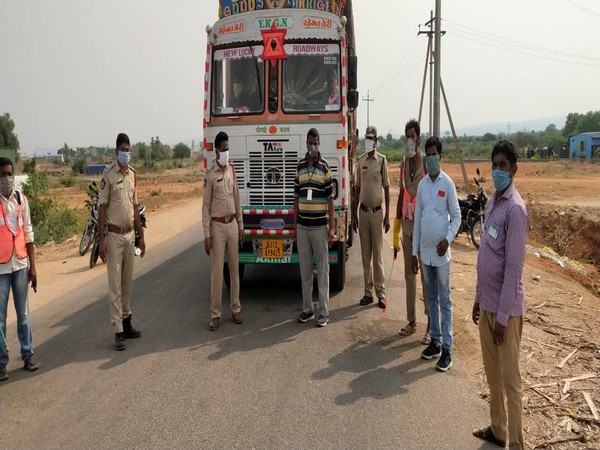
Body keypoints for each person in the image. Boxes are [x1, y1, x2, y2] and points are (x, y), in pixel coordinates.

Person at [472, 140, 527, 450]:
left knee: (510, 382)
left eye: (502, 165)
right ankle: (498, 430)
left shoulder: (516, 210)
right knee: (492, 377)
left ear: (514, 169)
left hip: (506, 313)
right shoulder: (493, 202)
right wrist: (478, 300)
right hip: (488, 305)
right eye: (493, 165)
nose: (496, 171)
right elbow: (487, 257)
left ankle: (517, 442)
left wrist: (503, 318)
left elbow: (513, 270)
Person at [412, 136, 460, 372]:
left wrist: (448, 239)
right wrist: (414, 253)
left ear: (440, 156)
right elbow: (419, 222)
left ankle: (448, 349)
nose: (430, 158)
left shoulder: (447, 184)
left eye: (434, 154)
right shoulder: (422, 186)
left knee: (445, 300)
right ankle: (436, 342)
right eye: (428, 154)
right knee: (431, 298)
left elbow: (457, 216)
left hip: (441, 254)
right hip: (426, 254)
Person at [98, 133, 146, 351]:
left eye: (129, 149)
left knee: (127, 283)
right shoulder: (108, 176)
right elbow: (102, 209)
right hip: (114, 237)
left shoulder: (132, 175)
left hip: (129, 236)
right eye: (123, 149)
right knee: (115, 285)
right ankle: (117, 331)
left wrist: (141, 236)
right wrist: (101, 241)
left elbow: (135, 207)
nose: (127, 153)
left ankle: (127, 323)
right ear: (116, 151)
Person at [0, 157, 38, 381]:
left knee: (23, 314)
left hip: (21, 263)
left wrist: (33, 266)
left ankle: (27, 354)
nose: (7, 178)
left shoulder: (22, 200)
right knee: (0, 319)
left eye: (9, 174)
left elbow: (29, 233)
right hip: (1, 268)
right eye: (3, 174)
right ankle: (2, 363)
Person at [202, 131, 244, 331]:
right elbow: (205, 207)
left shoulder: (232, 171)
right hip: (217, 227)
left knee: (235, 270)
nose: (227, 152)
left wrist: (241, 224)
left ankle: (236, 309)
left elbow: (237, 199)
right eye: (224, 149)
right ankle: (215, 314)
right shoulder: (210, 175)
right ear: (216, 150)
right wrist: (206, 235)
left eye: (228, 149)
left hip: (232, 225)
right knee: (217, 273)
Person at [294, 128, 335, 327]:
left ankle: (324, 312)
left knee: (323, 270)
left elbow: (330, 200)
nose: (313, 146)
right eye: (310, 142)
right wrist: (295, 225)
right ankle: (307, 309)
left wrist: (331, 228)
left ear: (319, 144)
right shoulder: (300, 166)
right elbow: (296, 197)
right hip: (302, 227)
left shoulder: (326, 168)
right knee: (305, 271)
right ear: (306, 143)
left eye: (316, 143)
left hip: (320, 227)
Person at [394, 119, 430, 343]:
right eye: (407, 136)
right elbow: (400, 193)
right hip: (407, 226)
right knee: (409, 275)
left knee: (426, 277)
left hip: (424, 228)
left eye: (412, 136)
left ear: (419, 139)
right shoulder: (404, 164)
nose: (410, 139)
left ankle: (429, 325)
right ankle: (411, 321)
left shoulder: (426, 164)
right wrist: (397, 223)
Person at [352, 125, 390, 308]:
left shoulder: (382, 161)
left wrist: (388, 215)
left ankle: (380, 294)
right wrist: (353, 214)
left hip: (377, 213)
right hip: (363, 212)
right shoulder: (360, 162)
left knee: (378, 257)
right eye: (366, 138)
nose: (368, 141)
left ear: (376, 140)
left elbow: (387, 189)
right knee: (365, 256)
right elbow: (356, 189)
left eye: (371, 138)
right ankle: (367, 293)